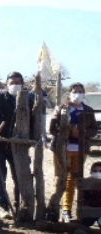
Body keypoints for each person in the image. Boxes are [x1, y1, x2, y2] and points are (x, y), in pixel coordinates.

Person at [0, 71, 33, 219]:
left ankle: (20, 207)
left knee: (20, 176)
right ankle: (3, 207)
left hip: (18, 145)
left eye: (18, 83)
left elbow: (35, 118)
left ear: (23, 84)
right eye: (12, 83)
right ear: (6, 85)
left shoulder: (29, 99)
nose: (15, 85)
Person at [49, 82, 99, 221]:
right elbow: (52, 129)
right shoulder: (61, 108)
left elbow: (94, 130)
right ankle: (53, 209)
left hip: (80, 150)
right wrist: (68, 130)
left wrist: (82, 132)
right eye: (75, 91)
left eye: (80, 91)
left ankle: (67, 210)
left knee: (73, 180)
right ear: (69, 93)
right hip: (62, 150)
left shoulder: (88, 110)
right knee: (60, 179)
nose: (78, 94)